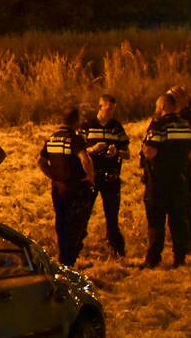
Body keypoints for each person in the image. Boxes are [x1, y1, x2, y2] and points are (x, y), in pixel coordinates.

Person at [37, 108, 96, 267]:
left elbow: (41, 162)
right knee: (75, 225)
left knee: (61, 223)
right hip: (75, 189)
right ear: (76, 121)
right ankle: (69, 262)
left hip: (58, 189)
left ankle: (63, 259)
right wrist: (90, 177)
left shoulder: (52, 138)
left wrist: (54, 176)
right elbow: (85, 159)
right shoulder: (75, 139)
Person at [141, 94, 191, 269]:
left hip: (159, 180)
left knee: (156, 221)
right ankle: (180, 257)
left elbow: (149, 152)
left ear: (162, 105)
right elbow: (190, 150)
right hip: (179, 178)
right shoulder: (185, 125)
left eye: (157, 104)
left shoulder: (158, 125)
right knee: (178, 219)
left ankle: (153, 259)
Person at [80, 94, 130, 257]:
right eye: (108, 109)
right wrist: (93, 150)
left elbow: (127, 153)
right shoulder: (87, 125)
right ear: (100, 107)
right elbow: (77, 151)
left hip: (111, 177)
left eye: (113, 110)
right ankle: (77, 250)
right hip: (90, 176)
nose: (111, 113)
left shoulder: (116, 127)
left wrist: (117, 152)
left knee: (112, 216)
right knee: (83, 214)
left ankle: (117, 250)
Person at [167, 85, 191, 254]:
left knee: (187, 205)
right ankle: (182, 241)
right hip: (174, 166)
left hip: (186, 165)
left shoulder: (190, 118)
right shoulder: (172, 116)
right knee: (178, 206)